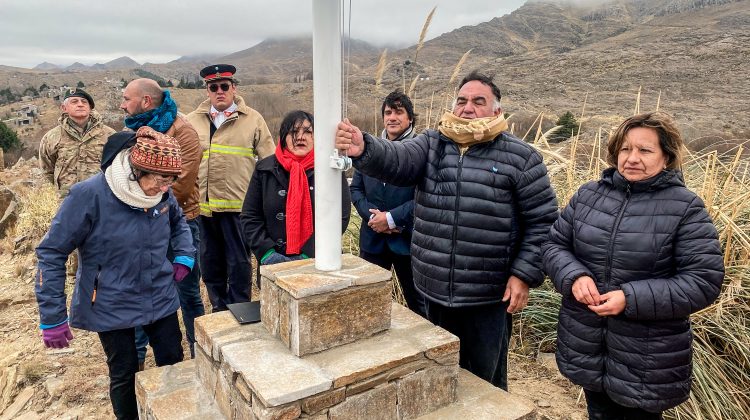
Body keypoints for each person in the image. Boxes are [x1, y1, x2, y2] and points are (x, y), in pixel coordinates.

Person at [335, 71, 558, 390]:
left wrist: (523, 274)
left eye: (478, 101)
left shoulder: (521, 158)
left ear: (497, 110)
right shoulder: (433, 143)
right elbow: (398, 158)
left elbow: (543, 221)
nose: (468, 107)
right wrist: (365, 148)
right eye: (462, 101)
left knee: (485, 381)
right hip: (433, 287)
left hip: (487, 295)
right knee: (439, 376)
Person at [542, 112, 724, 419]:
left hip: (647, 357)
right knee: (598, 411)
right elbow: (553, 245)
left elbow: (703, 281)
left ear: (666, 157)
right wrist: (574, 276)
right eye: (625, 149)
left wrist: (630, 298)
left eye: (645, 150)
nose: (632, 158)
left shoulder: (685, 207)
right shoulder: (589, 196)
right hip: (587, 342)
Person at [35, 127, 195, 420]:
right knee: (124, 373)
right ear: (136, 169)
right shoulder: (89, 195)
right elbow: (51, 252)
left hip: (158, 295)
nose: (165, 188)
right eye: (160, 180)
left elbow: (178, 221)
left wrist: (184, 254)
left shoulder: (161, 193)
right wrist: (52, 316)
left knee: (173, 362)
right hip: (110, 299)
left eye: (171, 181)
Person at [120, 78, 205, 365]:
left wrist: (140, 204)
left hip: (179, 224)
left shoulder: (184, 132)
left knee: (188, 293)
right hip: (137, 226)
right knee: (142, 293)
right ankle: (138, 360)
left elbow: (180, 184)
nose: (122, 105)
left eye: (126, 98)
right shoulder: (132, 131)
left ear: (145, 101)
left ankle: (198, 356)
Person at [187, 64, 275, 312]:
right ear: (207, 91)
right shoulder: (191, 121)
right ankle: (218, 308)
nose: (219, 91)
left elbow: (270, 162)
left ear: (234, 88)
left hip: (239, 208)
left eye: (224, 86)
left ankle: (240, 309)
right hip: (203, 210)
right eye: (213, 87)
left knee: (238, 263)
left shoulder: (253, 119)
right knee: (210, 262)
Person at [241, 110, 351, 264]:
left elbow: (340, 216)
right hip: (273, 261)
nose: (300, 137)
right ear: (283, 137)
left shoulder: (330, 168)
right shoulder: (264, 169)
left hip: (320, 260)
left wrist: (308, 255)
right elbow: (250, 216)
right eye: (293, 131)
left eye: (308, 131)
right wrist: (267, 253)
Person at [350, 90, 425, 316]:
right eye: (388, 112)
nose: (392, 117)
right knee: (367, 302)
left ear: (410, 118)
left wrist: (392, 219)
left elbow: (425, 198)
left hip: (407, 242)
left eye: (399, 112)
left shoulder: (421, 151)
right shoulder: (370, 151)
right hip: (373, 241)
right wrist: (374, 218)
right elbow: (356, 189)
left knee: (419, 306)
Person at [39, 88, 116, 197]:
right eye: (74, 101)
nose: (80, 104)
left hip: (101, 200)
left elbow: (117, 168)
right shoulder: (51, 137)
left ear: (90, 108)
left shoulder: (110, 135)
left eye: (84, 102)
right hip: (66, 201)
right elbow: (47, 172)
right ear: (64, 108)